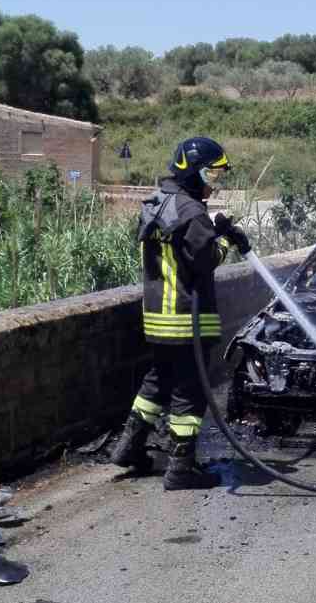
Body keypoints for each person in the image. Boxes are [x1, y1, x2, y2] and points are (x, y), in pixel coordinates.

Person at [111, 137, 251, 489]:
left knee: (158, 381)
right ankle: (181, 469)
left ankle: (129, 446)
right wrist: (224, 239)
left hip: (159, 316)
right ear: (191, 172)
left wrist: (213, 229)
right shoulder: (191, 210)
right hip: (187, 316)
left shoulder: (159, 202)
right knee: (190, 392)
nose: (212, 183)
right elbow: (205, 261)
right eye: (210, 175)